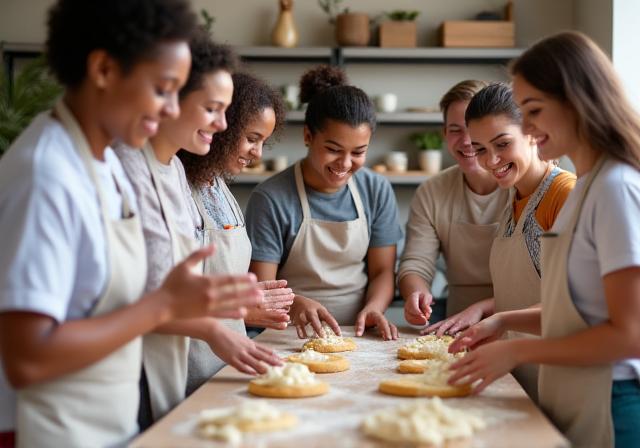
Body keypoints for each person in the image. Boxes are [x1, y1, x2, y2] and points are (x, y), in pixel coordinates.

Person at [0, 1, 261, 447]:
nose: (170, 109)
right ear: (103, 69)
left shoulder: (101, 163)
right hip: (54, 432)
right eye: (163, 90)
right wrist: (162, 306)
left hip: (110, 423)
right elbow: (28, 358)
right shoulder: (47, 174)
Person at [448, 31, 640, 448]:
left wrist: (518, 352)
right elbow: (577, 312)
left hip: (613, 398)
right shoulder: (590, 187)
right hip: (578, 390)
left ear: (577, 101)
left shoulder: (614, 187)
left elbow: (632, 334)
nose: (529, 128)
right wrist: (503, 321)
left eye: (533, 111)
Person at [115, 35, 282, 428]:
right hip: (139, 373)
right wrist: (227, 316)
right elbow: (130, 297)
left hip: (188, 365)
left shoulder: (173, 170)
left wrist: (235, 306)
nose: (221, 125)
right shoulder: (119, 169)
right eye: (212, 109)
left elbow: (168, 285)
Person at [245, 65, 403, 341]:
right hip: (285, 334)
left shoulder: (376, 189)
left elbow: (382, 271)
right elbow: (263, 288)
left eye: (358, 152)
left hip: (357, 332)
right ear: (308, 136)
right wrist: (296, 304)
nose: (344, 164)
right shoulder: (271, 197)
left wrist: (375, 308)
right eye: (333, 150)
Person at [445, 82, 576, 400]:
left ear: (533, 133)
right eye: (480, 149)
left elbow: (575, 306)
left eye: (502, 144)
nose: (490, 161)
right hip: (520, 374)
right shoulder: (513, 199)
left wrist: (501, 321)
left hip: (561, 375)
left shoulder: (563, 195)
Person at [178, 71, 292, 395]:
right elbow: (158, 296)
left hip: (226, 367)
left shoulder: (220, 186)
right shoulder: (176, 187)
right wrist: (242, 307)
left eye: (263, 143)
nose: (257, 153)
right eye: (252, 138)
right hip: (185, 371)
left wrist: (254, 296)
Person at [399, 80, 511, 331]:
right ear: (444, 133)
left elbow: (540, 283)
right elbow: (415, 263)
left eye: (474, 130)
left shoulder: (522, 187)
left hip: (517, 321)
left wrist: (482, 309)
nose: (467, 141)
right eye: (455, 130)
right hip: (455, 326)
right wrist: (416, 294)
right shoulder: (432, 192)